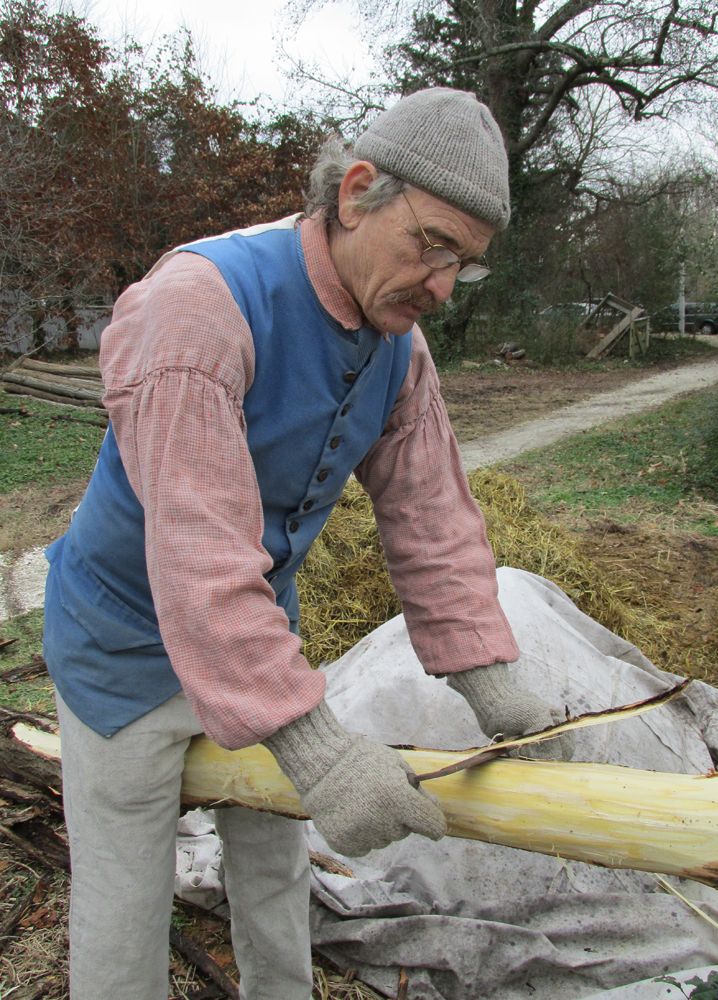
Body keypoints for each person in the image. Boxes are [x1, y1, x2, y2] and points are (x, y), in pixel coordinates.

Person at [43, 87, 571, 1000]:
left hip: (258, 647)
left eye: (466, 265)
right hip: (121, 649)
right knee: (125, 912)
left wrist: (493, 681)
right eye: (432, 245)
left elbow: (432, 515)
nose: (444, 287)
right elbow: (200, 563)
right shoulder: (196, 309)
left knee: (277, 873)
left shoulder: (399, 342)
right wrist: (320, 751)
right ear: (358, 188)